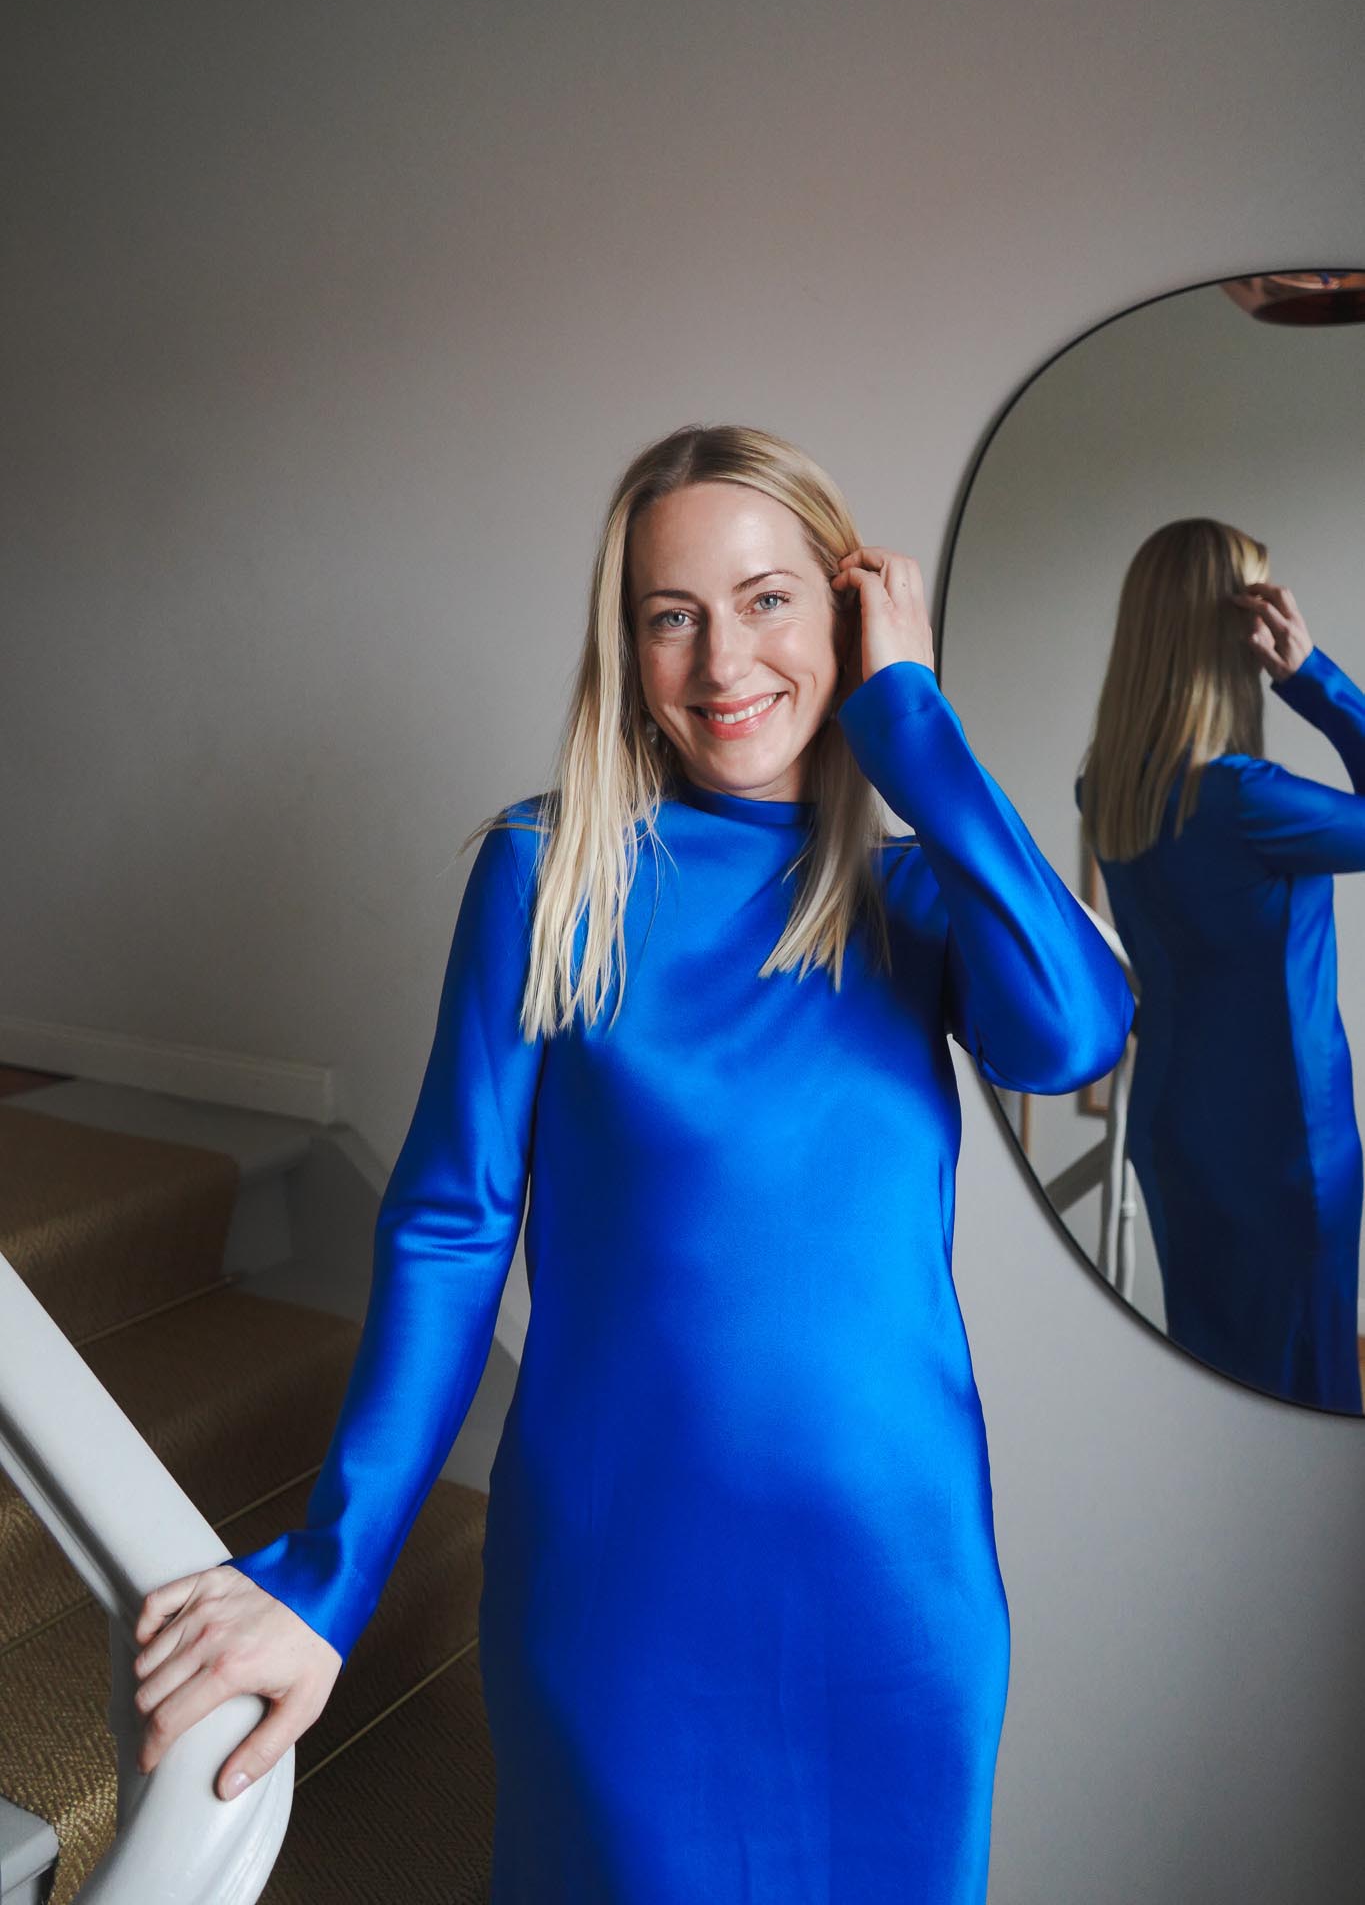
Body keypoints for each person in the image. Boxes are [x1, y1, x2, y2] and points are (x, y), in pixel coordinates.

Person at [132, 424, 1134, 1902]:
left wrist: (914, 723)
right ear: (629, 645)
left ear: (847, 612)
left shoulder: (917, 894)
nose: (724, 661)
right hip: (623, 1590)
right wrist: (333, 1575)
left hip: (895, 1594)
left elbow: (1075, 1033)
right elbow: (451, 1228)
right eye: (673, 615)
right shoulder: (548, 870)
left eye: (767, 600)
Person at [1076, 517, 1365, 1415]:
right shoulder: (1245, 799)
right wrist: (1313, 678)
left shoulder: (1106, 787)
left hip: (1175, 1132)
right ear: (1234, 632)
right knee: (1303, 1399)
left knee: (1217, 1391)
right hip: (1286, 1145)